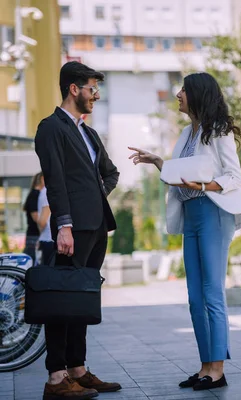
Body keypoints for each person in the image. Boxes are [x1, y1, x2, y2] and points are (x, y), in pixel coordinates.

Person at [128, 72, 241, 391]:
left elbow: (234, 177)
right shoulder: (186, 133)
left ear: (197, 94)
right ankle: (204, 366)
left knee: (211, 292)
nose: (178, 94)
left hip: (212, 212)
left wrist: (205, 185)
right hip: (191, 214)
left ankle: (218, 369)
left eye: (183, 89)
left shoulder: (218, 132)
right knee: (194, 296)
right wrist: (157, 161)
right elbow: (178, 173)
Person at [35, 61, 121, 399]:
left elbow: (110, 173)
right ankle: (56, 378)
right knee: (61, 301)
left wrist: (94, 201)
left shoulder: (88, 132)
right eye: (91, 88)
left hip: (96, 226)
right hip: (73, 229)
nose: (96, 95)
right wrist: (65, 224)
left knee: (81, 299)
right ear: (74, 89)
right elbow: (55, 181)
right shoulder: (50, 128)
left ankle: (78, 369)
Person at [22, 172, 43, 263]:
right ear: (42, 179)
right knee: (32, 264)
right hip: (35, 236)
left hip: (34, 236)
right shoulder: (35, 195)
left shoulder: (35, 194)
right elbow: (36, 218)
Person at [36, 175, 54, 266]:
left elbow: (42, 220)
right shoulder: (49, 191)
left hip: (47, 238)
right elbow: (44, 219)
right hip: (49, 238)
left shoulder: (44, 192)